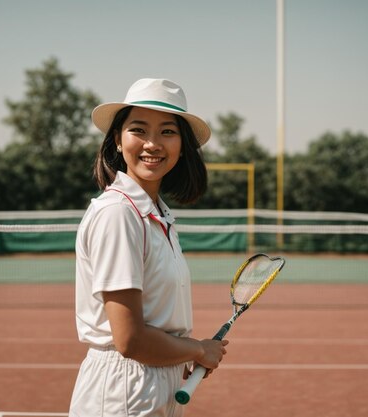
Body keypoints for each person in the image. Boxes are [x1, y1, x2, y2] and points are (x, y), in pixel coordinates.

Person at [69, 78, 228, 417]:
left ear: (182, 146)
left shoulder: (156, 215)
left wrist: (179, 353)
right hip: (124, 393)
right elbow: (130, 340)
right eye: (139, 130)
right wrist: (196, 350)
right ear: (117, 138)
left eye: (167, 132)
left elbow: (154, 328)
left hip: (152, 388)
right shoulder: (118, 214)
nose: (152, 144)